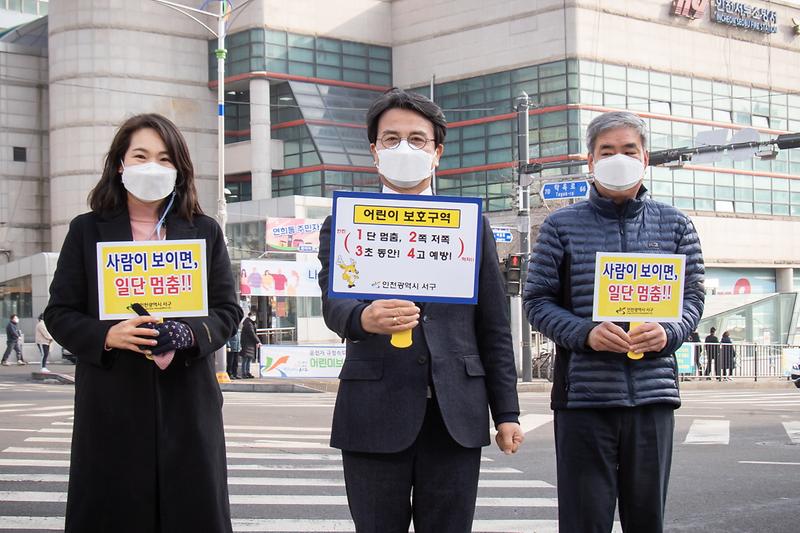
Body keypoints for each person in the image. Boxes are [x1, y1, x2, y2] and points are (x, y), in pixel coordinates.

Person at [317, 88, 522, 533]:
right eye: (391, 139)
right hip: (373, 413)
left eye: (417, 139)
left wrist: (507, 413)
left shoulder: (470, 225)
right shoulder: (347, 222)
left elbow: (493, 326)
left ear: (437, 152)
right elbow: (334, 304)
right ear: (374, 150)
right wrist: (363, 319)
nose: (404, 149)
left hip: (456, 416)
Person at [43, 113, 242, 533]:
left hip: (188, 403)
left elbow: (227, 310)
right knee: (111, 512)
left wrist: (189, 333)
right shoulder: (87, 230)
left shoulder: (204, 231)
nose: (152, 166)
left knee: (193, 512)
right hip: (111, 402)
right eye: (141, 155)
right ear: (120, 163)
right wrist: (106, 334)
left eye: (165, 158)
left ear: (179, 169)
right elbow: (59, 312)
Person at [523, 111, 704, 533]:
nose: (618, 159)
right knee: (584, 520)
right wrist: (585, 333)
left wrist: (669, 331)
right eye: (607, 151)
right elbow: (537, 300)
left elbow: (693, 298)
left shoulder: (675, 224)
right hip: (584, 400)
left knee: (647, 519)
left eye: (628, 150)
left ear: (645, 158)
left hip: (653, 398)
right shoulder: (560, 225)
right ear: (590, 161)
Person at [240, 311, 260, 379]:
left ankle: (247, 372)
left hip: (250, 343)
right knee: (245, 359)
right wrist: (258, 341)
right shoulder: (248, 323)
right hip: (246, 343)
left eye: (254, 315)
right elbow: (252, 333)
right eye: (252, 315)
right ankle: (244, 373)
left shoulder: (251, 322)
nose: (254, 317)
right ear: (249, 316)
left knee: (249, 359)